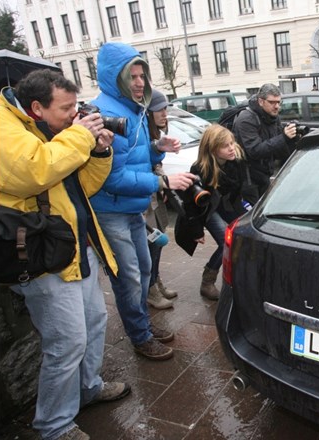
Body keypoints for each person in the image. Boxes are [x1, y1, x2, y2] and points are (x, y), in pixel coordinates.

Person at [0, 69, 130, 440]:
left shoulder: (52, 130)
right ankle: (53, 426)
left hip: (73, 246)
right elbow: (34, 171)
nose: (75, 116)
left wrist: (99, 150)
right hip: (41, 255)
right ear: (36, 107)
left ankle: (88, 389)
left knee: (94, 323)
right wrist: (81, 135)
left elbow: (80, 184)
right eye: (67, 109)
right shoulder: (1, 125)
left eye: (76, 107)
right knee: (66, 342)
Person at [89, 42, 197, 361]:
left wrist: (159, 147)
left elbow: (138, 156)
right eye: (132, 76)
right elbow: (112, 177)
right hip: (111, 210)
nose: (139, 82)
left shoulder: (131, 109)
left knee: (145, 269)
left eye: (142, 75)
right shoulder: (106, 114)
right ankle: (139, 336)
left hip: (131, 207)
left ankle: (143, 326)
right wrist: (162, 180)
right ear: (115, 77)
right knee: (129, 277)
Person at [177, 125, 248, 300]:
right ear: (213, 149)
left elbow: (243, 187)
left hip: (228, 203)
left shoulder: (237, 159)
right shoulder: (201, 168)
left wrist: (250, 207)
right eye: (226, 145)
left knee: (242, 237)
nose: (232, 148)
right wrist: (196, 231)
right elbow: (191, 203)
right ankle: (207, 281)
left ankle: (241, 276)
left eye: (232, 143)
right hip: (208, 208)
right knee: (226, 242)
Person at [232, 83, 298, 198]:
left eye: (278, 102)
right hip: (248, 179)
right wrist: (284, 137)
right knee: (254, 213)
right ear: (261, 101)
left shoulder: (272, 116)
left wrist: (293, 139)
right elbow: (255, 150)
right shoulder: (246, 119)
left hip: (265, 174)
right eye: (272, 102)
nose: (277, 106)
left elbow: (278, 147)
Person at [145, 89, 177, 309]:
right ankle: (150, 289)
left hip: (156, 195)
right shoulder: (141, 135)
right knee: (151, 245)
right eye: (159, 109)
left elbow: (155, 165)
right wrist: (161, 179)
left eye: (166, 108)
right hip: (144, 199)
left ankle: (155, 280)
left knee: (159, 241)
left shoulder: (156, 134)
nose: (165, 114)